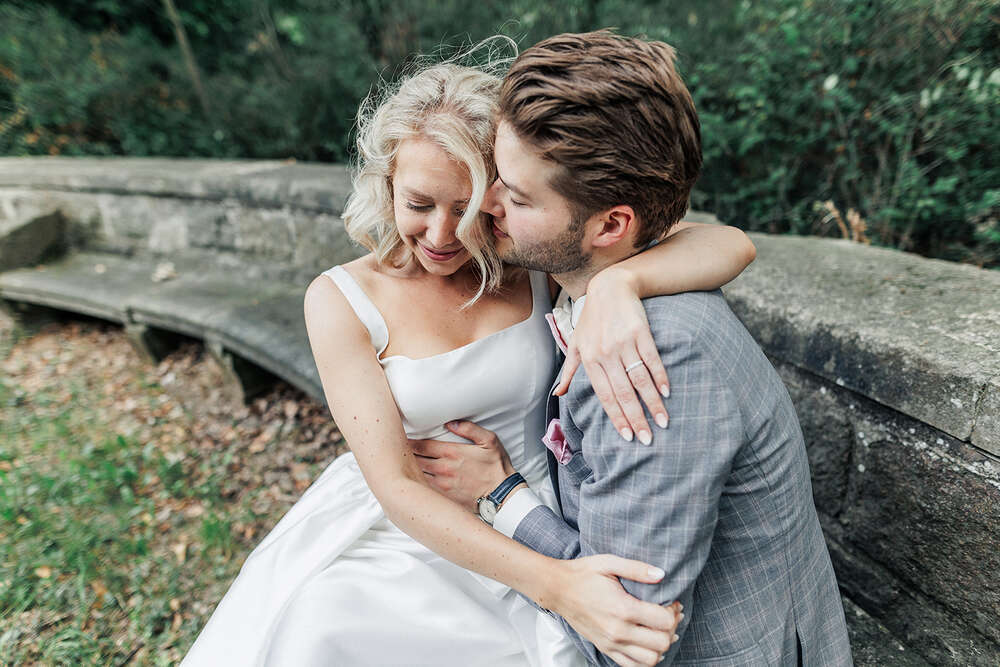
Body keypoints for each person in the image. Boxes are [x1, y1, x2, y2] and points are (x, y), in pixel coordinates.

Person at [182, 54, 756, 666]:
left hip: (541, 506)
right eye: (419, 203)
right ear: (386, 186)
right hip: (414, 533)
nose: (441, 234)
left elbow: (732, 243)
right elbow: (397, 487)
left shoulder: (533, 264)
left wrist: (622, 284)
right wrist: (556, 584)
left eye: (467, 206)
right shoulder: (341, 301)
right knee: (324, 631)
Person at [413, 31, 854, 666]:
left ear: (611, 225)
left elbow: (623, 630)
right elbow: (727, 239)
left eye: (516, 193)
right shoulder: (593, 274)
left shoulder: (652, 363)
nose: (487, 204)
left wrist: (506, 498)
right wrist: (623, 278)